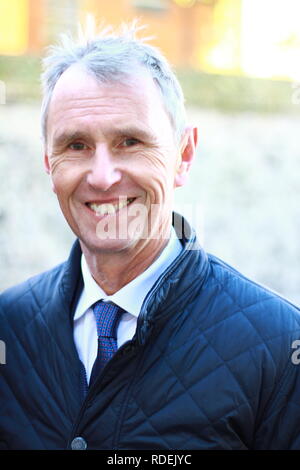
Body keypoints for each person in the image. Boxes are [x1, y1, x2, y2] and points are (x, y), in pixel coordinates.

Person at [1, 22, 300, 451]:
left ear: (184, 155)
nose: (102, 177)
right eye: (77, 146)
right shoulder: (8, 328)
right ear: (49, 164)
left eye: (129, 141)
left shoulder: (280, 348)